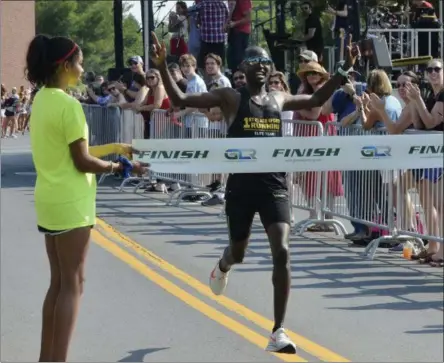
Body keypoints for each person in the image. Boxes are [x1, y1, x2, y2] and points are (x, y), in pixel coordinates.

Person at [150, 31, 359, 354]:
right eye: (254, 61)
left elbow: (316, 101)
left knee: (283, 251)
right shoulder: (230, 97)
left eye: (265, 62)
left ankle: (278, 330)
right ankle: (223, 264)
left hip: (274, 185)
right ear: (243, 68)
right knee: (239, 251)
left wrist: (343, 69)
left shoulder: (278, 99)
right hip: (242, 188)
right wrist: (163, 66)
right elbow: (179, 100)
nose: (261, 66)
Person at [25, 34, 147, 362]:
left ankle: (46, 358)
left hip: (49, 200)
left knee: (58, 284)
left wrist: (113, 149)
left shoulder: (42, 99)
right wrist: (121, 167)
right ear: (64, 65)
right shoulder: (70, 105)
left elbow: (72, 153)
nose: (82, 70)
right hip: (72, 203)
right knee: (73, 285)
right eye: (78, 63)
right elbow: (81, 162)